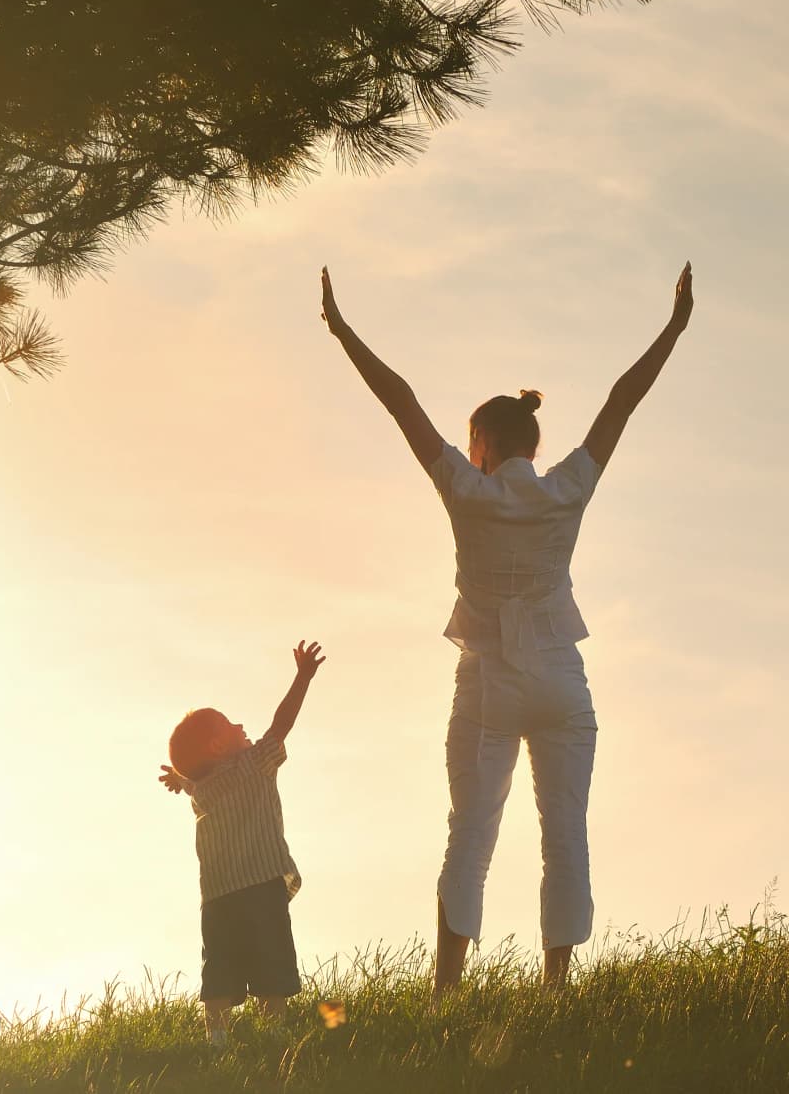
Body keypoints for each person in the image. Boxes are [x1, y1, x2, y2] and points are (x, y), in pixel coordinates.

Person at [320, 262, 694, 992]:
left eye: (470, 442)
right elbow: (623, 400)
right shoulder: (567, 490)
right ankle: (555, 992)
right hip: (561, 682)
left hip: (490, 683)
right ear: (532, 442)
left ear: (484, 442)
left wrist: (341, 331)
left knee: (472, 836)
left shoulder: (467, 490)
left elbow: (400, 402)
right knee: (566, 838)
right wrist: (674, 327)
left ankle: (447, 991)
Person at [159, 639, 327, 1044]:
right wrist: (302, 678)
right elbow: (281, 723)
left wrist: (180, 779)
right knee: (272, 969)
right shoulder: (254, 764)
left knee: (219, 971)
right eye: (231, 724)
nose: (240, 726)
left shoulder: (203, 789)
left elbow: (196, 781)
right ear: (219, 745)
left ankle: (217, 1041)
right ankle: (275, 1036)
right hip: (260, 888)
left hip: (217, 900)